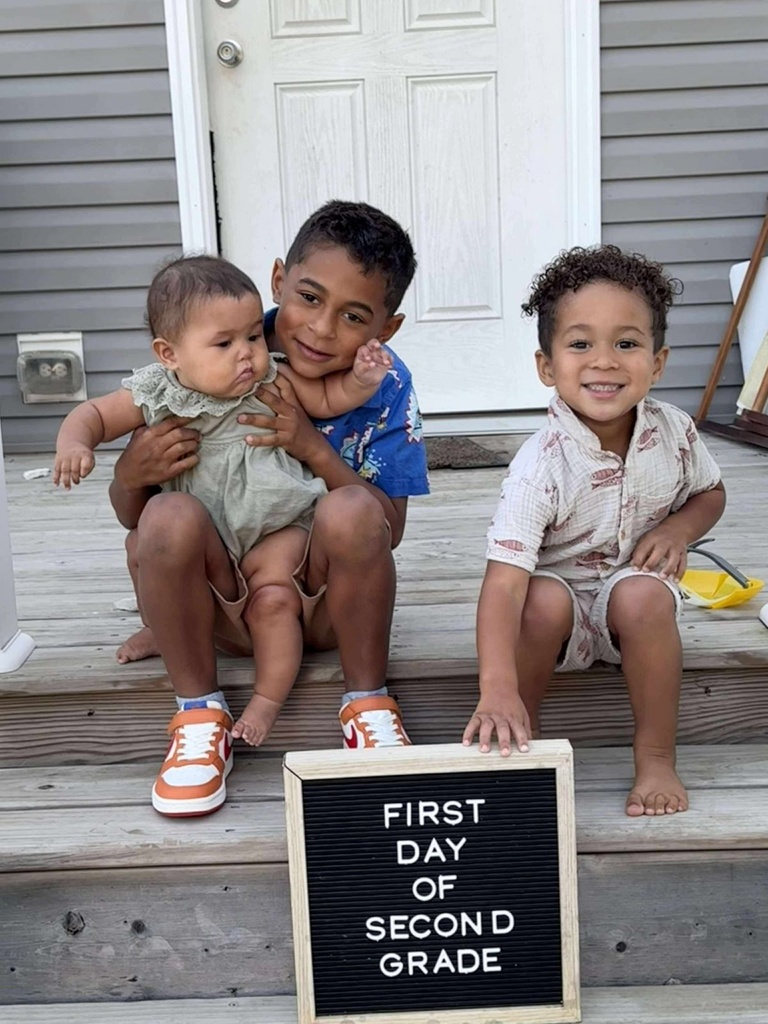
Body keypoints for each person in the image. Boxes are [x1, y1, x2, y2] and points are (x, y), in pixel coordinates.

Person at [104, 201, 429, 816]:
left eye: (354, 316)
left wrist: (312, 448)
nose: (321, 329)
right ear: (279, 279)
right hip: (223, 599)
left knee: (352, 509)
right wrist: (128, 473)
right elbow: (135, 517)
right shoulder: (208, 347)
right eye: (309, 298)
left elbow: (386, 529)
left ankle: (367, 703)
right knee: (162, 522)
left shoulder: (383, 384)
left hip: (318, 603)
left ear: (385, 330)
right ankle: (198, 714)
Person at [462, 245, 726, 817]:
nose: (604, 362)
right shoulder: (539, 465)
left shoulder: (675, 432)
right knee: (539, 600)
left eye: (626, 344)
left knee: (644, 596)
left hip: (631, 601)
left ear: (657, 362)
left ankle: (655, 757)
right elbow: (503, 585)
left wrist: (679, 529)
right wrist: (496, 685)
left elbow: (711, 493)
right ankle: (520, 743)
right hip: (555, 616)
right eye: (580, 344)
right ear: (546, 366)